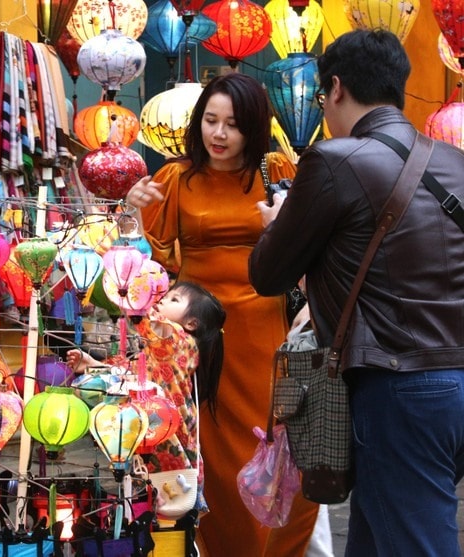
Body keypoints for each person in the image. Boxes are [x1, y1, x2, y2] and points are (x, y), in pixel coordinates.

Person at [250, 29, 464, 556]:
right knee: (375, 538)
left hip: (396, 388)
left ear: (336, 88)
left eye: (321, 98)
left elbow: (268, 274)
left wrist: (278, 222)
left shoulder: (335, 159)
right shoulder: (456, 163)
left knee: (416, 544)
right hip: (454, 379)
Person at [125, 72, 320, 556]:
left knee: (274, 440)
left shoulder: (275, 170)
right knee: (208, 444)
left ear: (252, 127)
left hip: (263, 331)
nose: (218, 133)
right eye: (210, 121)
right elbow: (150, 265)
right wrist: (131, 212)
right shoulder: (176, 176)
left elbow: (306, 249)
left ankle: (276, 548)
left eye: (231, 124)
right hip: (199, 333)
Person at [68, 280, 225, 474]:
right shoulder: (161, 345)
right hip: (151, 428)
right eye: (165, 296)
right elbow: (132, 374)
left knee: (173, 494)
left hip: (169, 435)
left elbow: (144, 318)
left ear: (191, 323)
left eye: (174, 299)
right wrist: (95, 365)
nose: (162, 301)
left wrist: (128, 286)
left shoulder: (178, 339)